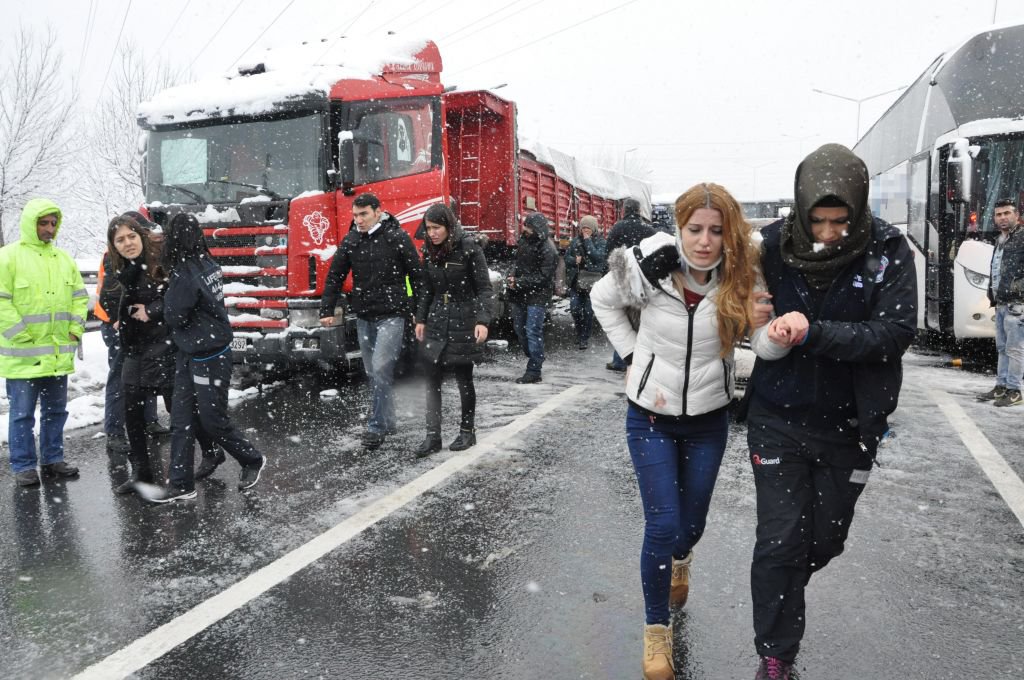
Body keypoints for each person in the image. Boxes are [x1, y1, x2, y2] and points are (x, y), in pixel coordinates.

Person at [743, 144, 916, 679]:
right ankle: (775, 654)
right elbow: (716, 270)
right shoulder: (769, 245)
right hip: (776, 417)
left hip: (850, 426)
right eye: (817, 220)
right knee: (779, 539)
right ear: (800, 209)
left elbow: (892, 335)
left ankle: (785, 588)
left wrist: (813, 334)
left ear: (859, 211)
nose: (827, 233)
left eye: (840, 222)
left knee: (823, 542)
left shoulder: (888, 249)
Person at [591, 183, 776, 680]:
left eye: (716, 231)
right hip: (649, 416)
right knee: (663, 524)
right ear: (680, 226)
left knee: (689, 529)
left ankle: (682, 560)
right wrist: (632, 355)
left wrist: (771, 333)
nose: (704, 241)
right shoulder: (650, 267)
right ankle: (656, 633)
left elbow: (761, 343)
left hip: (708, 421)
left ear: (728, 234)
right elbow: (600, 298)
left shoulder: (741, 276)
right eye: (695, 229)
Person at [150, 213, 266, 503]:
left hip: (207, 356)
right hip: (196, 352)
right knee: (181, 418)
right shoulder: (207, 263)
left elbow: (174, 316)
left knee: (212, 420)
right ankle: (180, 484)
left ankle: (252, 459)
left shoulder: (185, 274)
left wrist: (161, 300)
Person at [320, 193, 424, 449]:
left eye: (364, 214)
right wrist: (327, 309)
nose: (359, 220)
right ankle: (388, 419)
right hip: (364, 316)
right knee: (374, 372)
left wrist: (419, 313)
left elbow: (417, 275)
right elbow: (335, 275)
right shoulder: (352, 240)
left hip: (392, 315)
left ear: (378, 211)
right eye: (355, 215)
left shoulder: (396, 237)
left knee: (379, 369)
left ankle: (376, 426)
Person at [0, 199, 87, 487]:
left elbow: (79, 297)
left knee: (55, 412)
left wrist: (75, 329)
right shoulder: (8, 257)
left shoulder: (63, 260)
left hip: (57, 356)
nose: (49, 228)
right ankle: (24, 465)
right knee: (22, 414)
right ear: (30, 222)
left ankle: (52, 459)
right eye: (43, 222)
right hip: (22, 356)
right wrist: (19, 334)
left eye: (53, 223)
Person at [100, 215, 177, 494]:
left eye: (131, 236)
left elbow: (175, 299)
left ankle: (186, 473)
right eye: (120, 239)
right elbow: (108, 297)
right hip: (134, 348)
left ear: (140, 235)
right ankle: (141, 474)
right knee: (132, 415)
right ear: (114, 245)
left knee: (178, 413)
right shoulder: (119, 267)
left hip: (164, 347)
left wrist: (151, 312)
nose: (127, 243)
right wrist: (117, 317)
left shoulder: (160, 261)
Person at [413, 204, 494, 457]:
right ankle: (432, 436)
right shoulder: (428, 249)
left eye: (437, 228)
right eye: (428, 229)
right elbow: (426, 289)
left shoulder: (470, 248)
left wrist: (483, 320)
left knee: (463, 378)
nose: (432, 233)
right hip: (437, 319)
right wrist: (421, 318)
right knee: (431, 378)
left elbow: (484, 288)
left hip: (463, 318)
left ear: (449, 226)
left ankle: (467, 431)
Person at [977, 198, 1024, 407]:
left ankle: (1015, 390)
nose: (1003, 217)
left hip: (1017, 303)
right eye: (999, 214)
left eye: (1007, 213)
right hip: (1001, 301)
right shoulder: (1000, 239)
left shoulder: (1022, 238)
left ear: (1017, 216)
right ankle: (1001, 386)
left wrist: (1018, 288)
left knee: (1015, 349)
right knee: (1003, 347)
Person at [603, 198, 656, 371]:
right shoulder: (649, 230)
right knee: (643, 321)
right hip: (644, 280)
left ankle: (621, 360)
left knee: (622, 320)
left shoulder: (618, 228)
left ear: (624, 210)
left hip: (623, 279)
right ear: (639, 210)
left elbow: (609, 254)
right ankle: (642, 359)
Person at [507, 212, 557, 384]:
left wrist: (519, 282)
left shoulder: (548, 249)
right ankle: (536, 356)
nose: (525, 229)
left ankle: (534, 369)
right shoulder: (524, 242)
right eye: (525, 226)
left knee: (532, 331)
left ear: (537, 229)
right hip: (521, 294)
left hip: (538, 296)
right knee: (520, 330)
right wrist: (513, 277)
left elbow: (543, 277)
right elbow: (518, 264)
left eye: (528, 227)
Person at [564, 215, 608, 350]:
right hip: (576, 281)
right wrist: (574, 260)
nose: (585, 230)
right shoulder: (575, 241)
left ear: (593, 229)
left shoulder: (601, 242)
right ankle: (579, 333)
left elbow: (597, 257)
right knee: (575, 309)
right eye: (583, 228)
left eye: (588, 228)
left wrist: (588, 241)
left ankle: (584, 338)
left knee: (589, 311)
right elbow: (567, 257)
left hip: (592, 282)